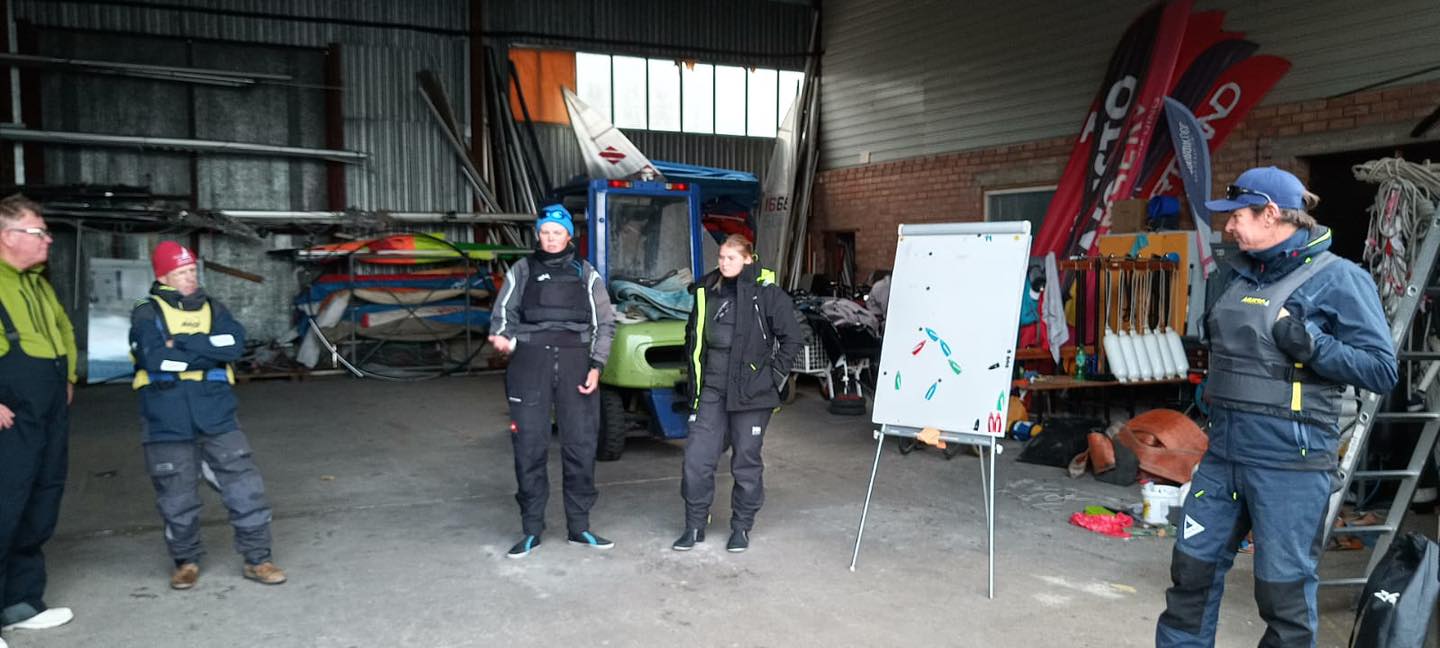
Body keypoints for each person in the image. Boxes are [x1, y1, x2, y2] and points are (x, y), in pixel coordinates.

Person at [1155, 167, 1398, 647]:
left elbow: (1380, 370)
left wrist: (1308, 343)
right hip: (1224, 455)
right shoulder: (1235, 273)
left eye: (1237, 216)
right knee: (1191, 573)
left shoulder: (1340, 279)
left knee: (1282, 596)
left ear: (1270, 214)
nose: (1228, 227)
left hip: (1291, 465)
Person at [130, 241, 286, 589]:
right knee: (177, 495)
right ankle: (185, 562)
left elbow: (233, 346)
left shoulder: (214, 307)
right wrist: (206, 350)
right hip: (166, 418)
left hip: (217, 414)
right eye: (182, 272)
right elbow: (153, 358)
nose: (191, 278)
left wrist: (182, 344)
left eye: (192, 271)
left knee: (246, 488)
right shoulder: (146, 311)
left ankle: (258, 559)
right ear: (163, 276)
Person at [488, 204, 616, 559]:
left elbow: (605, 323)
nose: (551, 238)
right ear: (538, 235)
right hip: (530, 364)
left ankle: (580, 527)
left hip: (577, 365)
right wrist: (503, 337)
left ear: (568, 235)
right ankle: (531, 529)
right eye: (545, 232)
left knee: (581, 447)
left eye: (557, 232)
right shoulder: (522, 270)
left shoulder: (585, 273)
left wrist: (596, 366)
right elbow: (502, 314)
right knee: (529, 447)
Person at [673, 234, 803, 553]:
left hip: (752, 394)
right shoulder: (707, 292)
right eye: (721, 257)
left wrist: (773, 377)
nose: (724, 263)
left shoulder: (767, 294)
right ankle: (694, 524)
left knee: (745, 463)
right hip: (712, 391)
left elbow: (794, 337)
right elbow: (693, 339)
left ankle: (741, 526)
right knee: (696, 459)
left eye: (731, 258)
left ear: (748, 259)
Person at [0, 195, 75, 644]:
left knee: (40, 500)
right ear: (7, 237)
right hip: (9, 414)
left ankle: (20, 603)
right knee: (4, 505)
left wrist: (68, 376)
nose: (48, 240)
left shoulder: (38, 284)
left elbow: (63, 329)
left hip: (46, 407)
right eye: (39, 232)